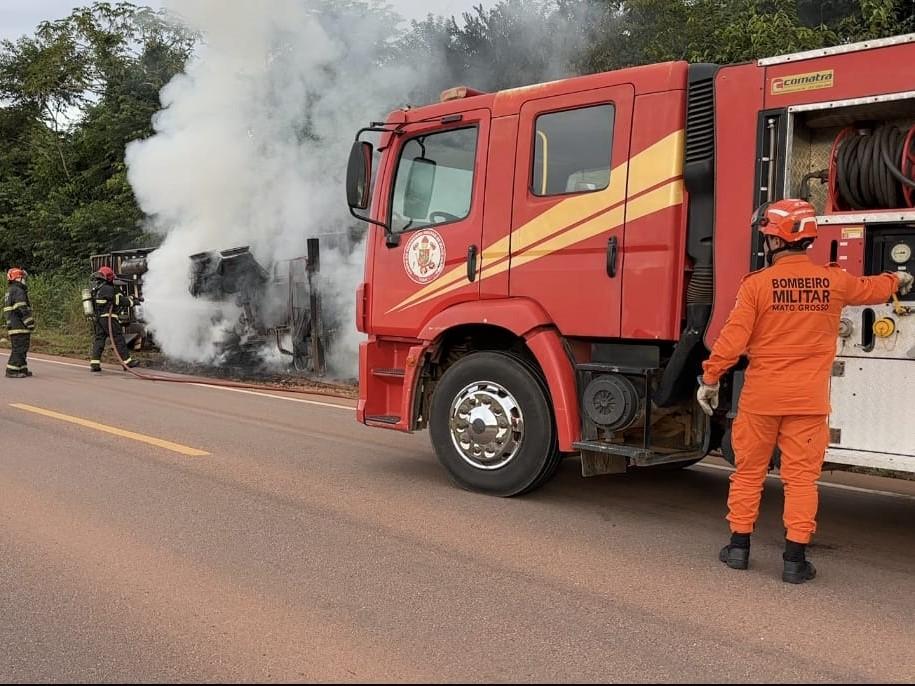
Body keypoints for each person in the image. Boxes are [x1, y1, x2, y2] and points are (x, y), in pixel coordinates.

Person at [697, 199, 913, 584]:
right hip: (809, 402)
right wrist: (898, 281)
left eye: (766, 237)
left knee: (748, 474)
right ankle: (795, 561)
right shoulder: (833, 282)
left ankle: (738, 549)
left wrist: (710, 379)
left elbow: (731, 341)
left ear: (775, 241)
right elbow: (870, 289)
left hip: (762, 400)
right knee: (800, 480)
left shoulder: (757, 286)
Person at [89, 266, 139, 372]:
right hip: (109, 318)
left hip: (99, 319)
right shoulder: (109, 288)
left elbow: (113, 299)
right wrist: (133, 302)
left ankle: (95, 363)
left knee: (99, 339)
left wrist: (130, 298)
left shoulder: (97, 288)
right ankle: (127, 362)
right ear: (109, 277)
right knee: (118, 338)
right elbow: (119, 301)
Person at [4, 267, 35, 378]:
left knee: (22, 347)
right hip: (19, 324)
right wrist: (29, 322)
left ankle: (21, 368)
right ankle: (12, 370)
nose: (24, 280)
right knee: (19, 348)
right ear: (18, 278)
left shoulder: (11, 290)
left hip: (14, 324)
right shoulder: (18, 290)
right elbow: (21, 308)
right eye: (22, 278)